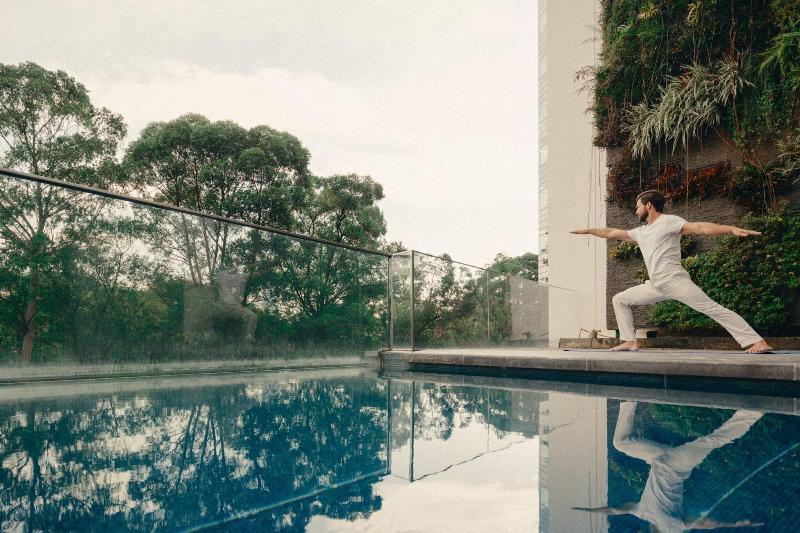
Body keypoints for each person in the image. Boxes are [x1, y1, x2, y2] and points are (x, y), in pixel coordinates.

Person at [571, 189, 773, 354]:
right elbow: (612, 232)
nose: (636, 211)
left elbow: (699, 228)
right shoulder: (641, 232)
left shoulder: (669, 222)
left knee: (712, 309)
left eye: (638, 206)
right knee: (620, 299)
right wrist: (589, 231)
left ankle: (757, 341)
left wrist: (730, 229)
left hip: (674, 281)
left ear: (648, 205)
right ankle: (630, 341)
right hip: (656, 285)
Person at [572, 401, 764, 532]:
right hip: (677, 465)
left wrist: (591, 511)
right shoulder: (671, 528)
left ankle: (630, 400)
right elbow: (703, 523)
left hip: (657, 459)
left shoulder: (642, 513)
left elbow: (614, 510)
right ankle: (752, 412)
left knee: (620, 443)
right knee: (713, 440)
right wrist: (732, 524)